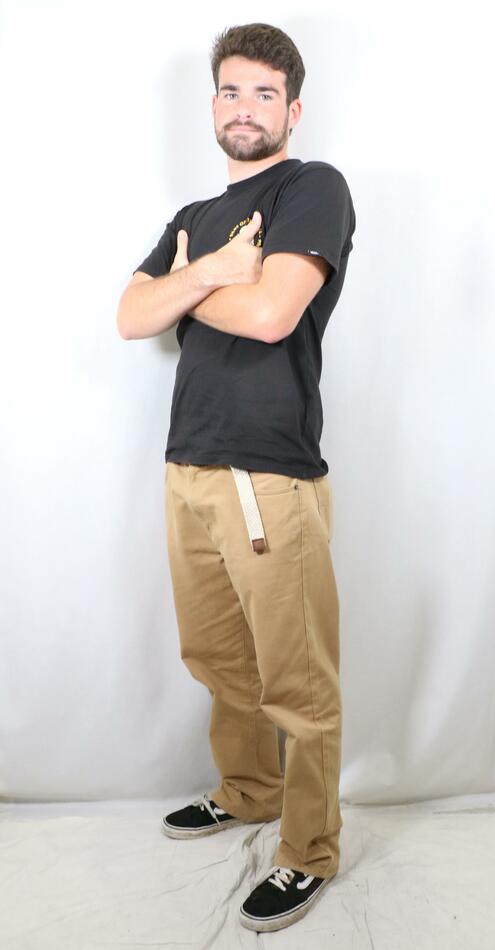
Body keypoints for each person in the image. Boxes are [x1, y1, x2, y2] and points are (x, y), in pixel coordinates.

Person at [117, 21, 356, 935]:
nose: (244, 107)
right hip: (188, 467)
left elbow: (269, 316)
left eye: (264, 93)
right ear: (212, 105)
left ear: (292, 110)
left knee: (296, 679)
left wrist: (189, 285)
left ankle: (309, 849)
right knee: (218, 660)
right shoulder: (193, 216)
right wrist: (218, 269)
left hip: (267, 471)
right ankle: (250, 789)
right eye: (230, 90)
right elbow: (130, 314)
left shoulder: (311, 187)